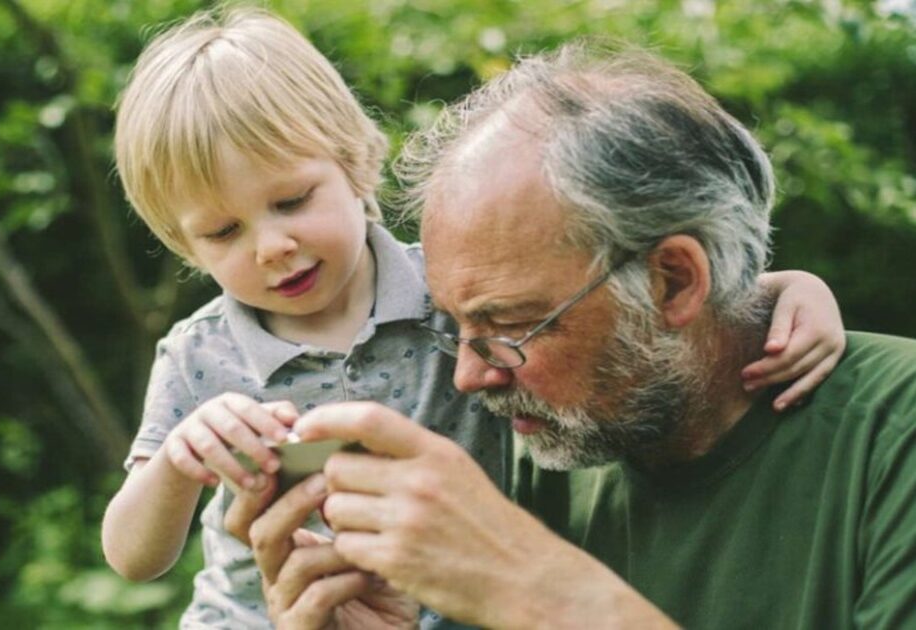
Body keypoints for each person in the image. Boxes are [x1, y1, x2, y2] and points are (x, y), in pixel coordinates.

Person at [101, 12, 847, 628]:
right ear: (183, 244)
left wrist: (789, 291)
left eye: (292, 200)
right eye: (222, 233)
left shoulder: (451, 290)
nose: (272, 246)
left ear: (356, 161)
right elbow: (134, 557)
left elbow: (638, 294)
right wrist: (176, 463)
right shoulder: (201, 356)